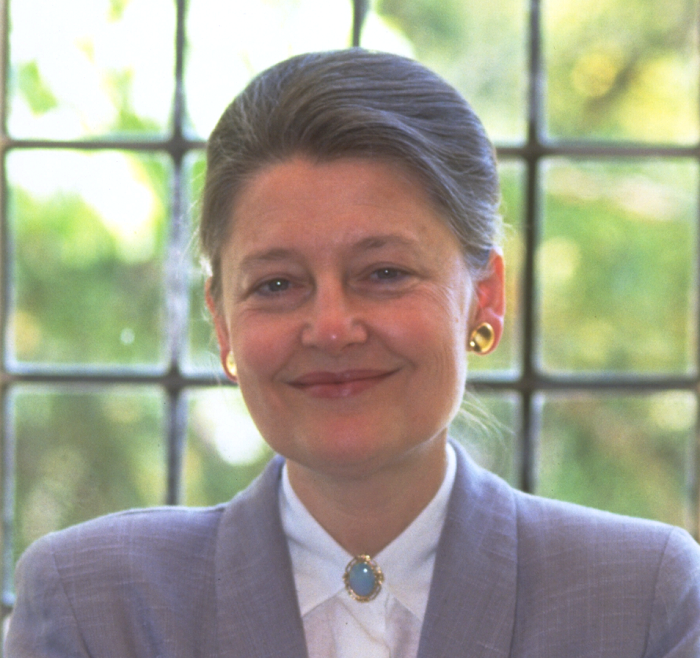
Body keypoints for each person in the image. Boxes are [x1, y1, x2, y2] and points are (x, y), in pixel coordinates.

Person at [5, 49, 700, 657]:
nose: (332, 328)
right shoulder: (95, 605)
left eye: (385, 273)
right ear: (221, 322)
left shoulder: (641, 599)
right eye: (277, 284)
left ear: (484, 297)